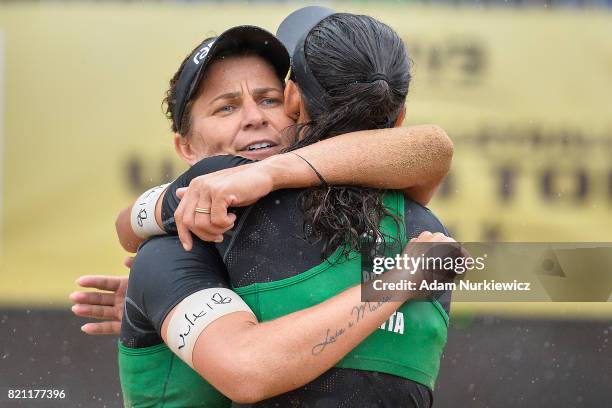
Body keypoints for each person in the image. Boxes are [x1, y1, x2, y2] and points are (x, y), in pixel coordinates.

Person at [72, 9, 456, 408]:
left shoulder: (389, 217)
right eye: (226, 107)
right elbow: (246, 369)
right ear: (186, 147)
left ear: (293, 105)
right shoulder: (173, 249)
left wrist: (271, 173)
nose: (255, 118)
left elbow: (433, 150)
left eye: (268, 99)